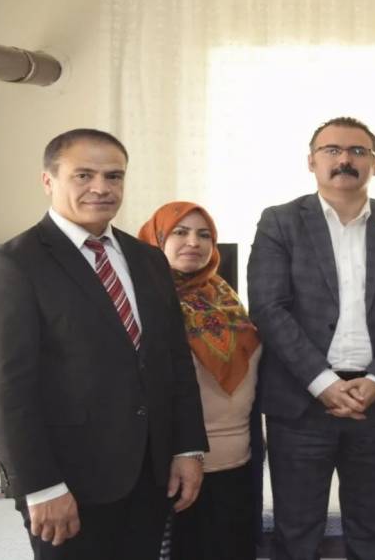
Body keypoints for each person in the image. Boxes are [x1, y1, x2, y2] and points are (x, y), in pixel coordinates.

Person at [0, 129, 207, 560]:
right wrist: (41, 486)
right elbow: (3, 392)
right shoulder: (11, 266)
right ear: (48, 181)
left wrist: (187, 448)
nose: (101, 187)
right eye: (83, 175)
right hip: (67, 482)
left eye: (114, 176)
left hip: (150, 474)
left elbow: (174, 361)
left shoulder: (148, 259)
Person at [247, 116, 375, 559]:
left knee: (374, 531)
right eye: (332, 150)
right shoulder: (280, 222)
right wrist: (324, 383)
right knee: (296, 532)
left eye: (357, 151)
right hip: (301, 403)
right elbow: (269, 308)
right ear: (311, 161)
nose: (344, 159)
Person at [138, 202, 262, 560]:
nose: (194, 242)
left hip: (237, 461)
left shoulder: (226, 298)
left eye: (204, 235)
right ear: (155, 239)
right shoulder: (143, 303)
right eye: (180, 232)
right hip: (173, 465)